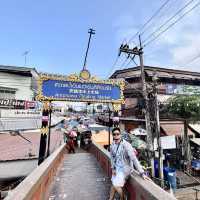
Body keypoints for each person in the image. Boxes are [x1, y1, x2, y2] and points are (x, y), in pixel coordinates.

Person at [109, 127, 150, 200]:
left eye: (117, 134)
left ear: (120, 135)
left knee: (116, 185)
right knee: (113, 185)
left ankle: (122, 198)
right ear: (113, 135)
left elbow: (134, 159)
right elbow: (112, 157)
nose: (116, 136)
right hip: (116, 168)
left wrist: (142, 173)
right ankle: (110, 199)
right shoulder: (112, 145)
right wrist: (113, 168)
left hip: (125, 168)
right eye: (114, 134)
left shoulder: (127, 145)